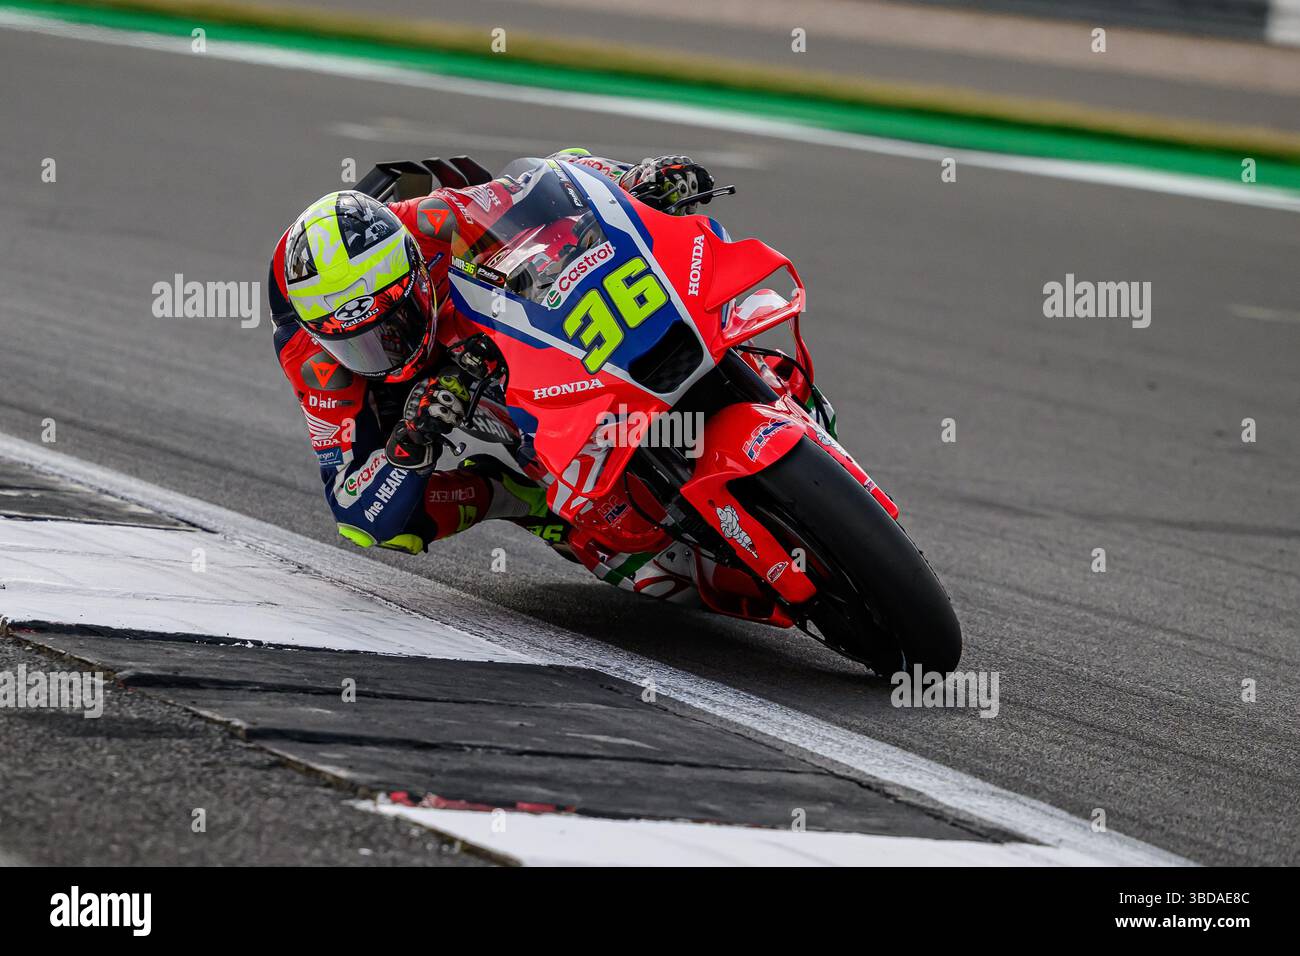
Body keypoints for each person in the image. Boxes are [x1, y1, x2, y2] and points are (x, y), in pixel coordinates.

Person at [267, 149, 722, 599]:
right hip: (421, 394)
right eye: (358, 342)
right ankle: (514, 495)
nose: (385, 347)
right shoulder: (314, 358)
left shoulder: (431, 220)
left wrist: (634, 178)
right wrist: (411, 439)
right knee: (390, 527)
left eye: (393, 322)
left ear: (413, 268)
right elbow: (352, 508)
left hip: (492, 313)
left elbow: (559, 176)